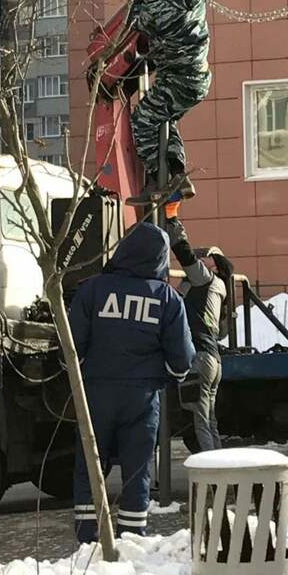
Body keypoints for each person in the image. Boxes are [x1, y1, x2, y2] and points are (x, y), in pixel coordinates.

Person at [67, 221, 195, 542]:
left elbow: (71, 346)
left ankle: (88, 538)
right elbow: (182, 357)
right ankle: (132, 537)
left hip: (95, 393)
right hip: (142, 396)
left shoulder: (93, 289)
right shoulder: (166, 298)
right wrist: (168, 377)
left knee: (91, 464)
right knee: (137, 469)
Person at [126, 0, 211, 205]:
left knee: (142, 120)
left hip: (176, 80)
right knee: (164, 117)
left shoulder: (152, 3)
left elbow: (134, 23)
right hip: (199, 78)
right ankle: (175, 174)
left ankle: (154, 176)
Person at [166, 217, 233, 451]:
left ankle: (213, 474)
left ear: (214, 265)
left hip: (200, 357)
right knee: (209, 421)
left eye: (207, 257)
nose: (201, 257)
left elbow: (185, 255)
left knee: (201, 424)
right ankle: (220, 470)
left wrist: (174, 228)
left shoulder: (205, 278)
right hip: (213, 361)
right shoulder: (218, 289)